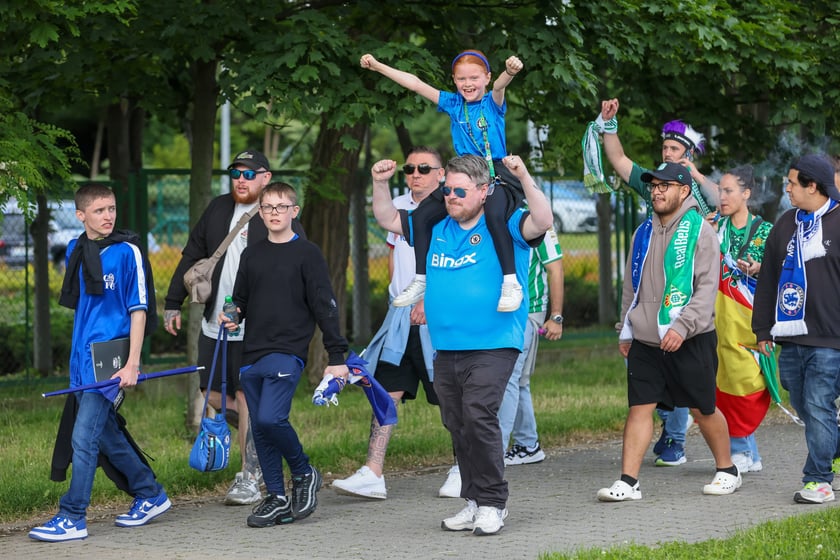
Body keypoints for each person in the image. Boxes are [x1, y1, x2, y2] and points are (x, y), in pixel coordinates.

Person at [371, 153, 552, 535]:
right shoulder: (437, 225)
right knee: (457, 423)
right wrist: (380, 182)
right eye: (447, 190)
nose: (451, 197)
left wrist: (525, 176)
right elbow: (388, 218)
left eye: (459, 191)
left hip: (493, 343)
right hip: (447, 346)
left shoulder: (505, 223)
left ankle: (493, 502)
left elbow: (543, 220)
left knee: (479, 414)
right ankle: (473, 500)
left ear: (484, 191)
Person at [163, 149, 304, 506]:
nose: (241, 180)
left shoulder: (276, 215)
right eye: (236, 173)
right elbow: (192, 254)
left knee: (245, 394)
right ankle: (268, 431)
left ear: (266, 177)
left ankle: (250, 476)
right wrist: (171, 302)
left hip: (255, 328)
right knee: (208, 392)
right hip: (216, 323)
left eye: (249, 173)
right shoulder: (218, 208)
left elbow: (297, 266)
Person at [30, 184, 170, 542]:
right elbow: (84, 308)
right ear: (81, 216)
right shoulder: (78, 248)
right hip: (83, 358)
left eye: (112, 209)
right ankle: (151, 494)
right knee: (104, 434)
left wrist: (133, 363)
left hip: (113, 358)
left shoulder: (128, 252)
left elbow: (139, 309)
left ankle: (73, 515)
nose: (108, 216)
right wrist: (76, 359)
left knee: (83, 436)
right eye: (99, 211)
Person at [597, 162, 741, 502]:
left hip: (690, 338)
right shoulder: (642, 232)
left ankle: (727, 469)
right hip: (646, 340)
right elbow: (632, 287)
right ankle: (628, 481)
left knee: (702, 409)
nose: (657, 191)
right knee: (640, 408)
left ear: (684, 191)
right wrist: (626, 328)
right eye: (654, 186)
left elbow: (707, 290)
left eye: (666, 185)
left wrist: (682, 325)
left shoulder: (700, 231)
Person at [593, 98, 719, 466]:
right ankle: (635, 470)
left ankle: (689, 443)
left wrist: (693, 174)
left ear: (690, 153)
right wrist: (608, 126)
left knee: (694, 387)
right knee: (651, 380)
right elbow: (618, 161)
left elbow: (722, 199)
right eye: (664, 147)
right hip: (651, 288)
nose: (667, 153)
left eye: (675, 148)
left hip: (692, 290)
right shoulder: (655, 184)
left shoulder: (695, 187)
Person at [331, 146, 459, 500]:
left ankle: (464, 466)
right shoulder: (403, 207)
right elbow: (392, 246)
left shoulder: (452, 209)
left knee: (450, 397)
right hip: (402, 317)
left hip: (436, 316)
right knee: (386, 391)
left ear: (441, 174)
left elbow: (455, 262)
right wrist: (397, 300)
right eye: (410, 168)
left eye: (423, 168)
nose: (415, 174)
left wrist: (427, 300)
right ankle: (372, 472)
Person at [220, 182, 349, 527]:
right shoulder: (252, 254)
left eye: (281, 206)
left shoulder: (308, 253)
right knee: (258, 431)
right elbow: (239, 299)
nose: (274, 212)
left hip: (287, 350)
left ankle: (304, 472)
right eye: (268, 207)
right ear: (260, 214)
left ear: (295, 211)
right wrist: (231, 315)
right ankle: (276, 497)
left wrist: (337, 356)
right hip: (251, 353)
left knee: (269, 419)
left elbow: (326, 308)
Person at [361, 50, 526, 313]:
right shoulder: (452, 103)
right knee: (423, 214)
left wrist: (510, 72)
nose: (468, 84)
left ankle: (510, 282)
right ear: (454, 80)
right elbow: (415, 84)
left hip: (494, 171)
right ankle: (421, 279)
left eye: (474, 78)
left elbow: (499, 87)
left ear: (486, 77)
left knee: (495, 214)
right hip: (462, 171)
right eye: (462, 79)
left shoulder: (492, 102)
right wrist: (379, 66)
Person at [753, 154, 840, 504]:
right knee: (802, 402)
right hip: (790, 334)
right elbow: (770, 278)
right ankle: (832, 442)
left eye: (792, 183)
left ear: (813, 186)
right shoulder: (786, 224)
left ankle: (818, 479)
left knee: (818, 404)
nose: (787, 189)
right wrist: (762, 329)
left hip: (830, 337)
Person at [711, 165, 773, 474]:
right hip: (719, 317)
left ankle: (742, 449)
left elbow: (780, 269)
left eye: (728, 191)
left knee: (744, 380)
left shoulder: (766, 230)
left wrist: (760, 268)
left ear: (746, 193)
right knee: (724, 379)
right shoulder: (713, 227)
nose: (721, 197)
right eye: (720, 191)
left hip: (752, 318)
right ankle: (744, 451)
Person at [500, 228, 564, 466]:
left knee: (509, 378)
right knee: (518, 381)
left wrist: (556, 316)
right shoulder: (488, 214)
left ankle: (496, 452)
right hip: (498, 310)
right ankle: (527, 444)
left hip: (527, 310)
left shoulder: (536, 221)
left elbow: (555, 267)